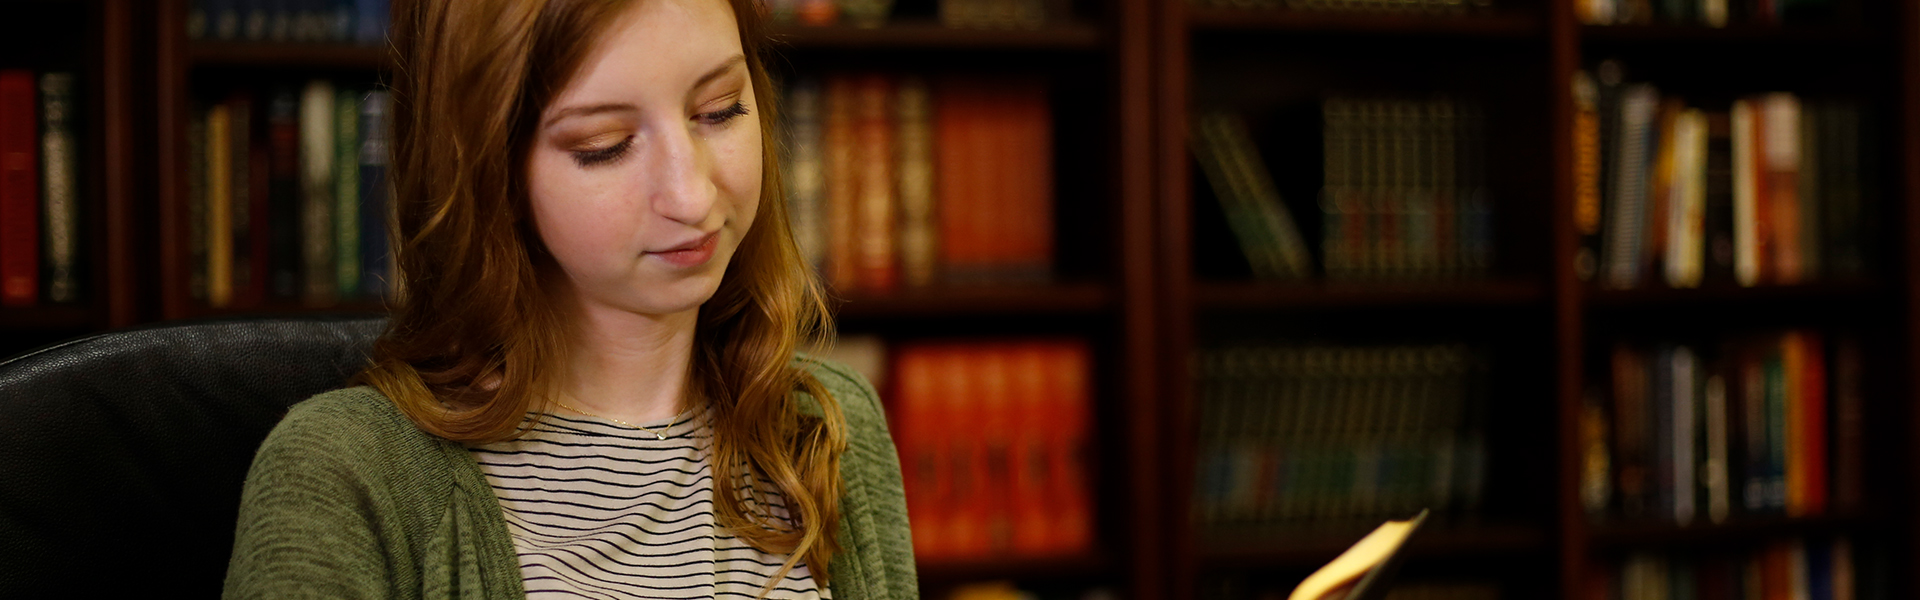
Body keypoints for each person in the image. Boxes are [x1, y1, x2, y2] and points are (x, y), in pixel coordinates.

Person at [221, 0, 916, 598]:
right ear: (491, 172)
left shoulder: (826, 427)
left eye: (719, 110)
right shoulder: (344, 474)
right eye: (605, 146)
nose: (692, 195)